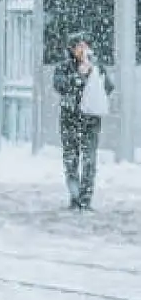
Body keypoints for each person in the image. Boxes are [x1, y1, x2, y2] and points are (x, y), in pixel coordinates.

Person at [52, 33, 114, 210]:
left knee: (89, 160)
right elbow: (59, 85)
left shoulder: (97, 67)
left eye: (85, 45)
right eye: (78, 45)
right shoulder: (64, 67)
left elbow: (108, 87)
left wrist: (95, 77)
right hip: (69, 119)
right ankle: (75, 196)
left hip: (91, 121)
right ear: (71, 49)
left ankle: (85, 199)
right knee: (71, 159)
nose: (82, 49)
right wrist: (78, 77)